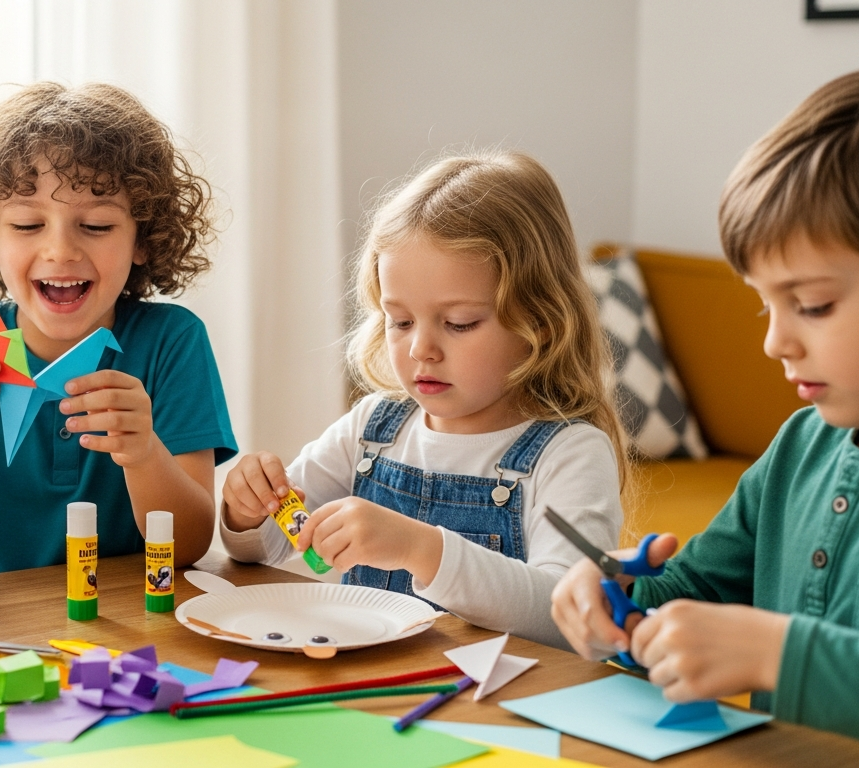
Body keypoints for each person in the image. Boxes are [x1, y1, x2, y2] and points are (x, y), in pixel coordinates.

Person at [551, 67, 859, 751]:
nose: (776, 340)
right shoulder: (802, 446)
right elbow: (695, 593)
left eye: (812, 305)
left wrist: (777, 653)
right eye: (764, 304)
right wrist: (621, 604)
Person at [220, 150, 627, 648]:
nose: (421, 349)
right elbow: (265, 547)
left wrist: (422, 549)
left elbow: (567, 615)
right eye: (400, 321)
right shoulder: (373, 429)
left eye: (459, 324)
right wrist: (246, 511)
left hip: (491, 710)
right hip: (372, 694)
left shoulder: (569, 454)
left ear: (539, 324)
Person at [0, 82, 235, 578]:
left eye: (97, 226)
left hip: (133, 628)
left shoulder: (172, 341)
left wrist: (144, 451)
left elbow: (187, 548)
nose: (61, 251)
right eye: (27, 226)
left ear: (143, 240)